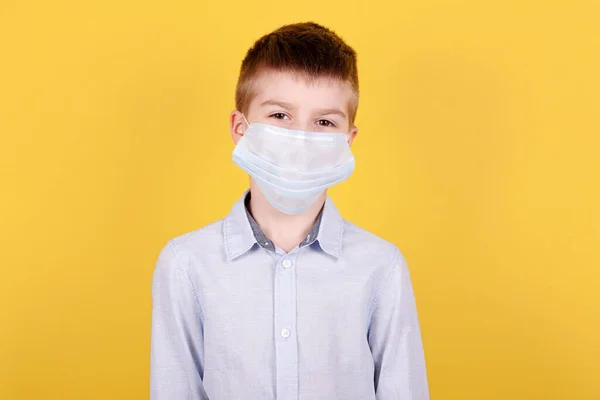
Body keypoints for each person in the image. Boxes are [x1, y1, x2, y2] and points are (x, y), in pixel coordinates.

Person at [150, 22, 429, 400]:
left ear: (348, 140)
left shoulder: (381, 267)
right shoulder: (186, 264)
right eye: (280, 116)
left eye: (324, 122)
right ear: (240, 127)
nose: (301, 140)